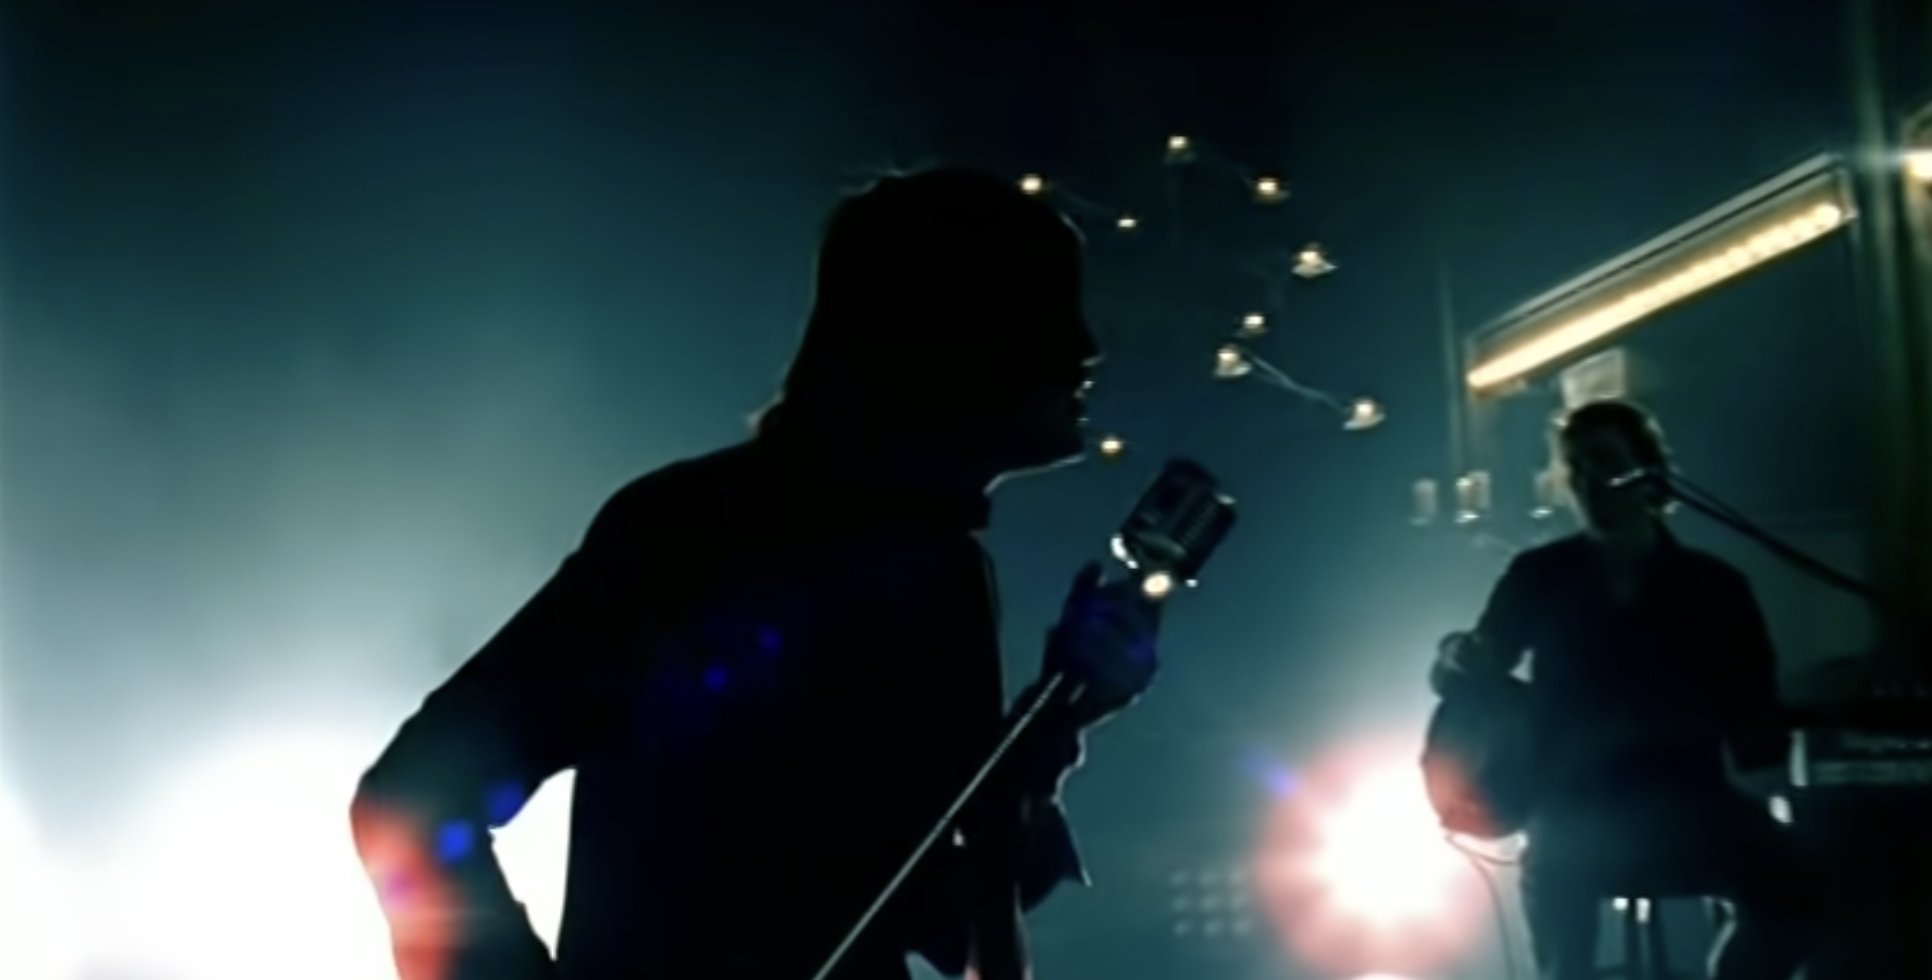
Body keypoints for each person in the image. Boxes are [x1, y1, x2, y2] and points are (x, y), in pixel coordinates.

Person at [349, 169, 1163, 980]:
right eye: (1046, 307)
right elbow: (415, 798)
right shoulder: (697, 535)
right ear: (945, 331)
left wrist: (1051, 732)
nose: (1086, 347)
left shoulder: (941, 573)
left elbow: (928, 917)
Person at [1432, 400, 1814, 980]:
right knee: (1555, 878)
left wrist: (1769, 755)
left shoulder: (1715, 588)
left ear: (1649, 473)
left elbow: (1754, 709)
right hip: (1573, 802)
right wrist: (1457, 658)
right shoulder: (1540, 574)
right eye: (1575, 467)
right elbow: (1469, 675)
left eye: (1605, 462)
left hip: (1687, 799)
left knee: (1798, 887)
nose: (1588, 480)